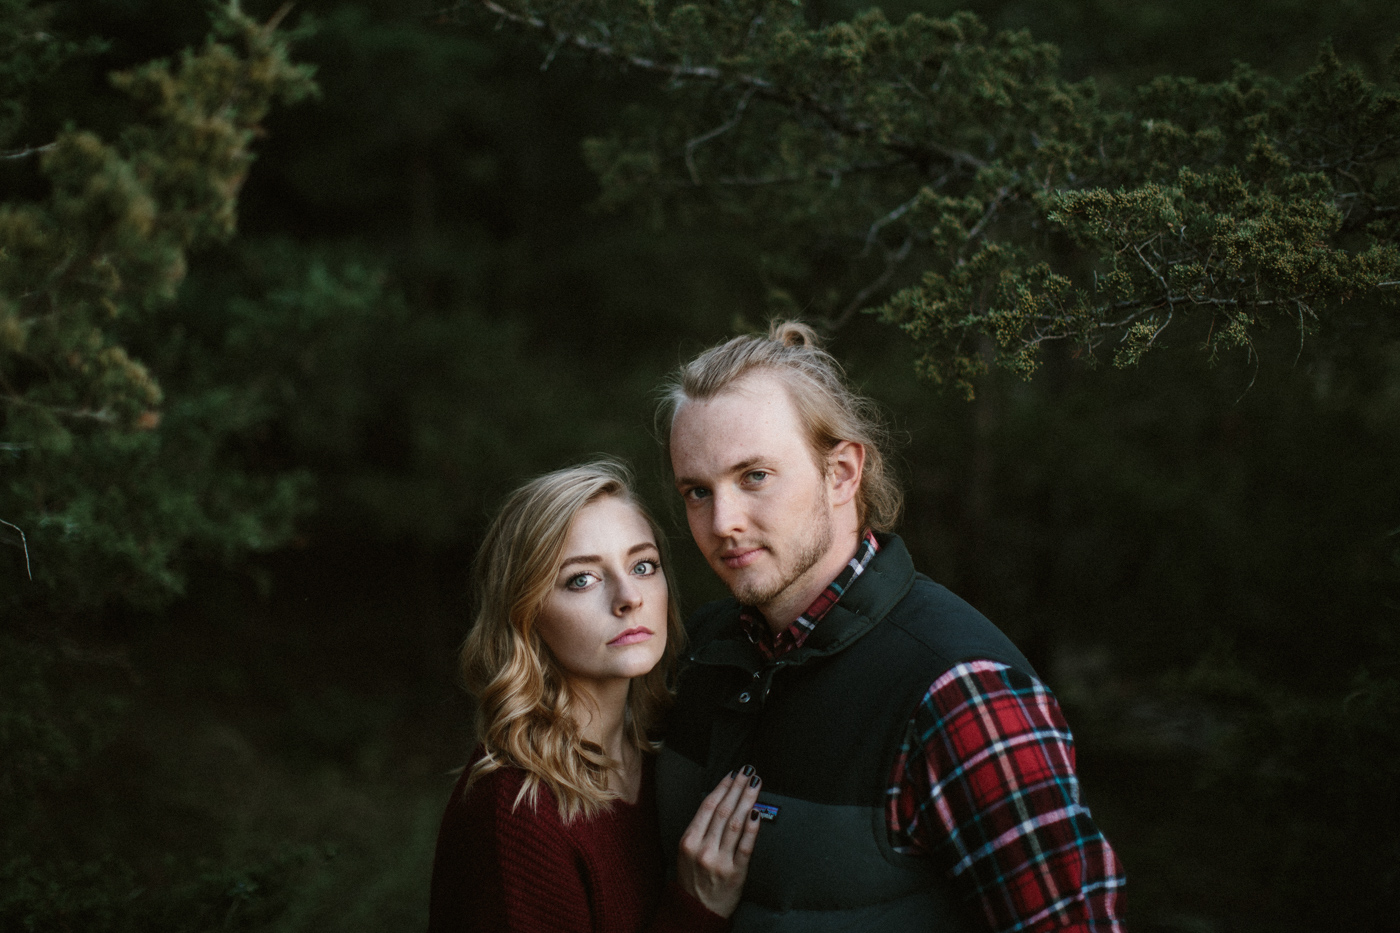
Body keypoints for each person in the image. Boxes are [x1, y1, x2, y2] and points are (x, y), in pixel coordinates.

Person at [654, 322, 1127, 932]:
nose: (722, 522)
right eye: (697, 490)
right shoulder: (701, 654)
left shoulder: (961, 691)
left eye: (754, 477)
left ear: (843, 473)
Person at [428, 460, 764, 933]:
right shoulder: (516, 810)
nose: (629, 597)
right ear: (524, 614)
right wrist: (694, 909)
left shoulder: (670, 750)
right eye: (581, 579)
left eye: (643, 566)